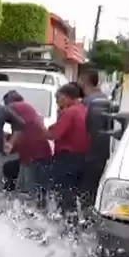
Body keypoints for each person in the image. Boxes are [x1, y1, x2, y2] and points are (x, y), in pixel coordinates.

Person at [46, 83, 89, 218]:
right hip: (82, 157)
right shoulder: (84, 110)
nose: (57, 102)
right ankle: (74, 220)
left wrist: (40, 131)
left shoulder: (70, 112)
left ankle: (66, 224)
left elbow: (54, 134)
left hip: (67, 158)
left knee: (63, 192)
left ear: (65, 97)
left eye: (58, 98)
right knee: (73, 192)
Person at [3, 90, 52, 207]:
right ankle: (39, 214)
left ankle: (30, 218)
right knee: (36, 189)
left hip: (32, 154)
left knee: (28, 191)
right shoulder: (29, 109)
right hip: (40, 152)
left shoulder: (15, 106)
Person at [79, 68, 110, 210]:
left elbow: (84, 129)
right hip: (103, 153)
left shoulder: (88, 102)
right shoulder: (105, 99)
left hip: (89, 154)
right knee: (96, 190)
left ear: (85, 82)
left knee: (85, 190)